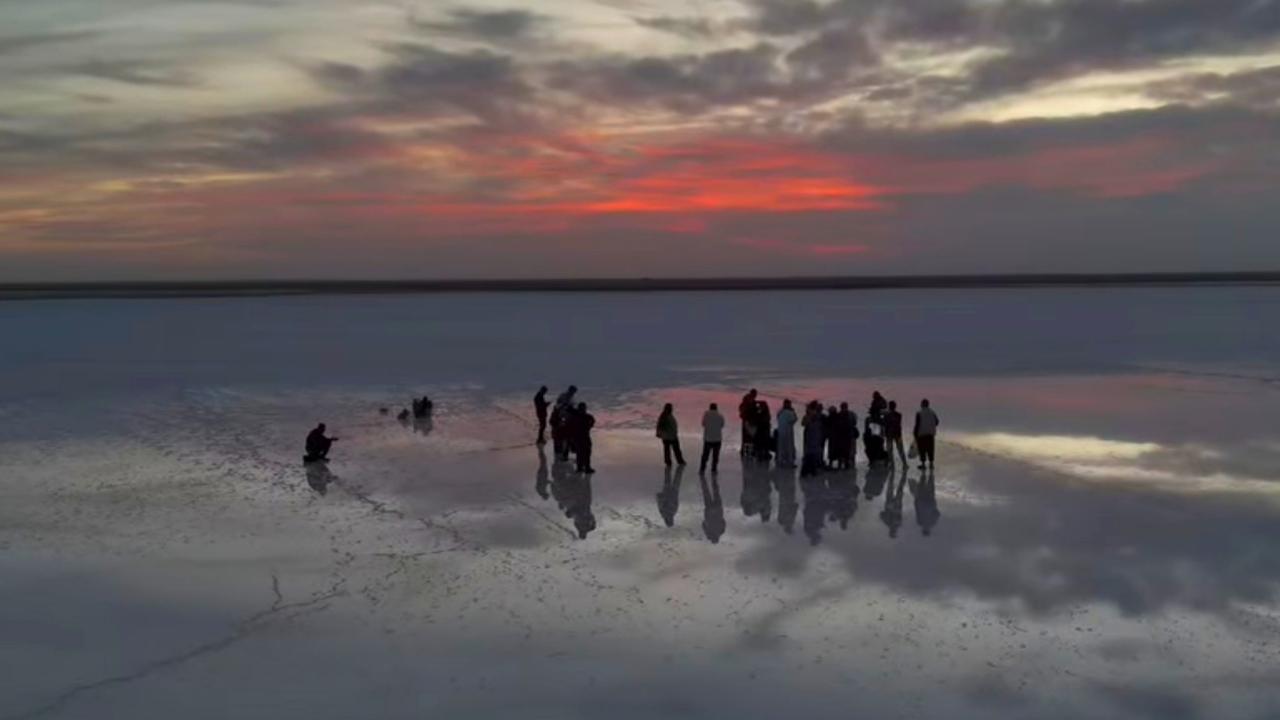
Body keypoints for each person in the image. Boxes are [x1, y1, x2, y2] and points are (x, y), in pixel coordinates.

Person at [656, 403, 686, 467]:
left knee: (669, 450)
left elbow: (659, 425)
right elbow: (660, 425)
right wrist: (659, 433)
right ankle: (678, 461)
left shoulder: (665, 415)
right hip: (670, 436)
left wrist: (659, 433)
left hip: (668, 436)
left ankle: (670, 462)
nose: (672, 409)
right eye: (671, 408)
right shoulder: (665, 416)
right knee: (675, 449)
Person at [914, 399, 940, 469]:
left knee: (922, 450)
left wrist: (915, 435)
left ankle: (923, 465)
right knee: (930, 449)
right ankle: (931, 464)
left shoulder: (919, 413)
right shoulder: (932, 412)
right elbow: (937, 422)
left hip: (921, 435)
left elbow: (917, 425)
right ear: (928, 404)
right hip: (930, 435)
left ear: (922, 404)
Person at [801, 402, 825, 477]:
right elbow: (804, 423)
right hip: (812, 435)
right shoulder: (812, 415)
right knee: (811, 453)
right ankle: (810, 470)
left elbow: (803, 423)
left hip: (814, 435)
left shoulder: (812, 414)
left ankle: (810, 470)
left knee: (811, 452)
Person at [700, 402, 725, 475]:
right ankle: (714, 468)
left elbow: (703, 424)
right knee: (715, 455)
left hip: (708, 438)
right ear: (716, 408)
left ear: (710, 407)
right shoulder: (720, 416)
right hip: (717, 439)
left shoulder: (706, 415)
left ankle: (702, 468)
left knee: (705, 455)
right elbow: (722, 425)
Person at [572, 402, 596, 474]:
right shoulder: (587, 416)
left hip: (577, 437)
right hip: (584, 437)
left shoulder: (575, 416)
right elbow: (593, 420)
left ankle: (580, 467)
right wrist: (590, 426)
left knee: (580, 453)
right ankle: (587, 468)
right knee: (586, 452)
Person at [775, 400, 798, 469]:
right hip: (788, 432)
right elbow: (794, 419)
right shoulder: (790, 412)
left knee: (781, 446)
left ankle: (780, 461)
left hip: (781, 431)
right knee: (789, 447)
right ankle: (790, 462)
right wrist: (793, 412)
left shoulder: (780, 412)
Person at [884, 400, 906, 464]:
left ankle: (892, 463)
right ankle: (904, 463)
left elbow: (885, 424)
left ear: (889, 407)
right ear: (895, 406)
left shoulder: (887, 415)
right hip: (897, 434)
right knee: (900, 449)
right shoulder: (899, 415)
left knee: (889, 450)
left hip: (889, 434)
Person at [738, 388, 758, 456]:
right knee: (750, 437)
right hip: (749, 421)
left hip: (745, 421)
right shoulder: (750, 401)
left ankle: (744, 450)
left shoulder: (745, 402)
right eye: (755, 394)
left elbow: (741, 410)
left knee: (745, 437)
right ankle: (749, 451)